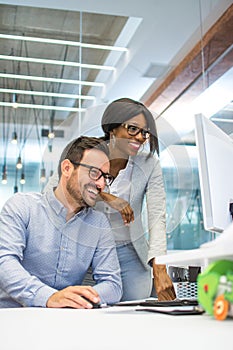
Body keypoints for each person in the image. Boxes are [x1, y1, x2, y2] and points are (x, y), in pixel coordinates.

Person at [46, 98, 176, 301]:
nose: (140, 137)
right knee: (82, 308)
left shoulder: (149, 164)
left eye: (145, 132)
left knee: (133, 310)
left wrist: (160, 267)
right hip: (84, 249)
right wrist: (106, 197)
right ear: (112, 128)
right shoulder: (85, 150)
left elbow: (157, 216)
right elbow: (53, 192)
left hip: (129, 252)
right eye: (133, 129)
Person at [0, 136, 122, 308]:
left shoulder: (99, 224)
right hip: (13, 318)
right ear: (67, 168)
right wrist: (50, 297)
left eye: (106, 177)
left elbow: (113, 285)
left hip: (66, 322)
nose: (101, 184)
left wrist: (77, 297)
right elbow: (4, 263)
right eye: (94, 173)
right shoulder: (22, 206)